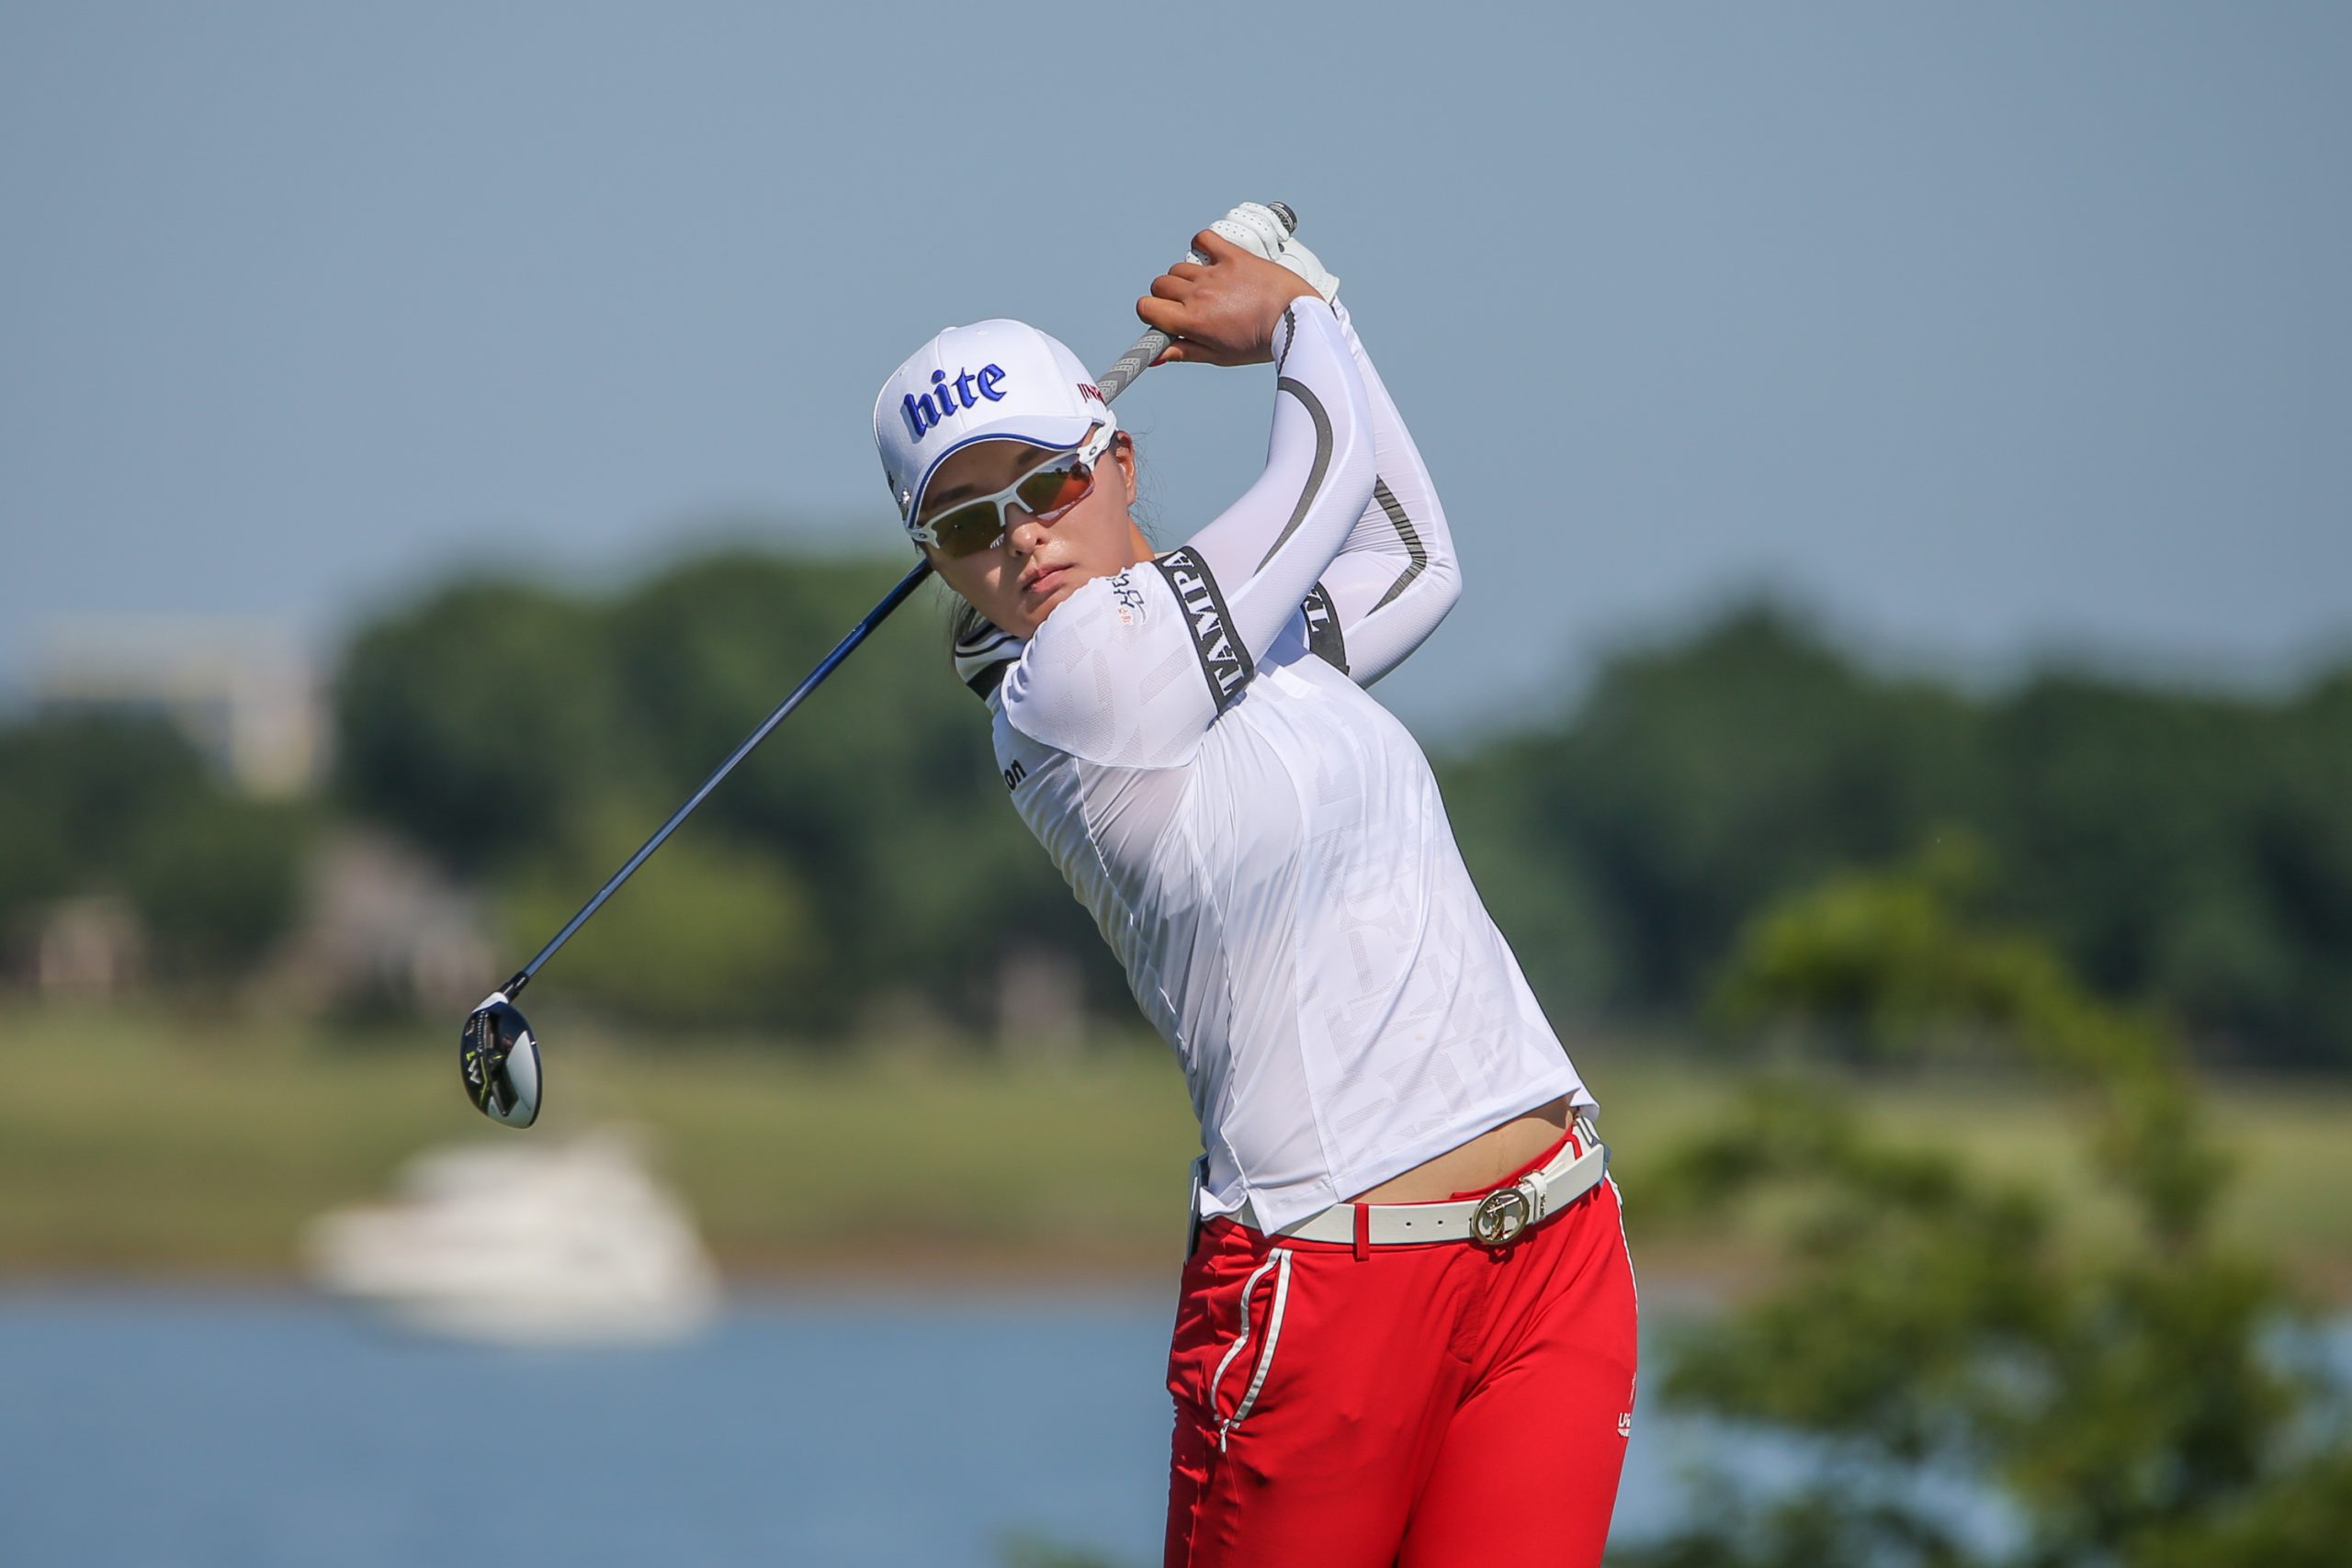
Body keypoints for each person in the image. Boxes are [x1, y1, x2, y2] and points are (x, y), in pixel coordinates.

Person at [870, 208, 1637, 1568]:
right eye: (965, 524)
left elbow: (1413, 561)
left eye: (1044, 484)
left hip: (1552, 1237)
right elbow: (1320, 473)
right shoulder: (1075, 687)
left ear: (1114, 458)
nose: (1020, 540)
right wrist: (1295, 319)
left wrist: (1321, 313)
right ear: (937, 559)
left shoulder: (1259, 657)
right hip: (1324, 1281)